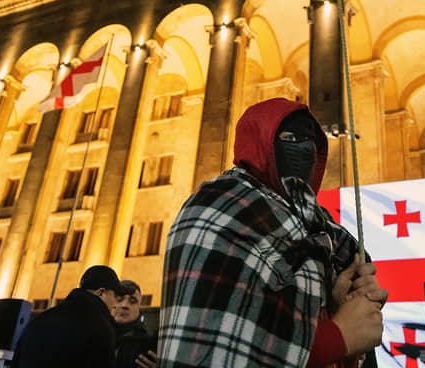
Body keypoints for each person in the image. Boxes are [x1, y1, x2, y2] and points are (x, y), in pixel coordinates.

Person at [159, 98, 388, 367]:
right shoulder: (219, 207)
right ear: (259, 142)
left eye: (310, 140)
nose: (304, 149)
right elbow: (216, 347)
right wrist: (338, 337)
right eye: (290, 137)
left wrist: (340, 303)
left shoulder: (320, 230)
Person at [13, 264, 125, 368]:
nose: (116, 305)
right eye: (115, 297)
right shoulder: (100, 327)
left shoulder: (40, 320)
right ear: (101, 293)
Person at [112, 279, 157, 368]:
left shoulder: (149, 347)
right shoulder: (90, 337)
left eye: (133, 301)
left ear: (138, 309)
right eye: (119, 299)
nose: (124, 305)